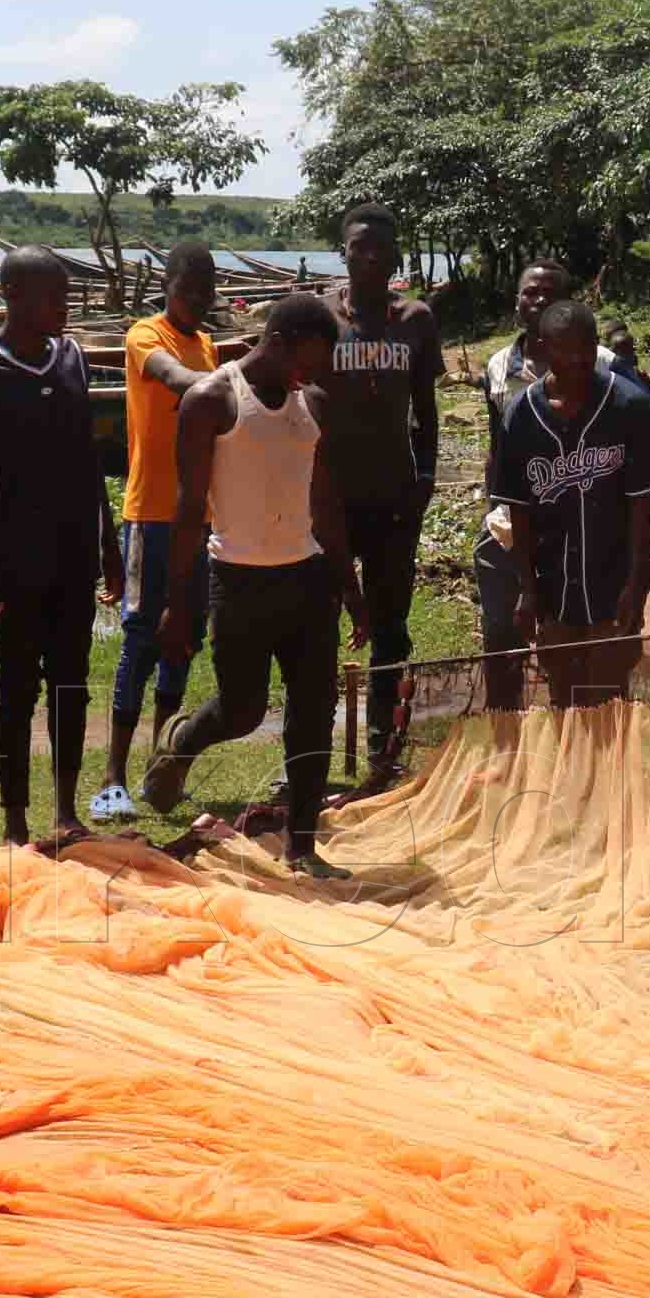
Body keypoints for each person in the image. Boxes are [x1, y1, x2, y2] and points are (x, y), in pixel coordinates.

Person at [138, 293, 366, 879]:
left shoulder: (312, 403)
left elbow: (326, 503)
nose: (313, 375)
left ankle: (303, 846)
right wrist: (177, 606)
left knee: (314, 710)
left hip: (307, 578)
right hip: (238, 581)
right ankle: (183, 741)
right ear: (280, 342)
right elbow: (189, 511)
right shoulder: (211, 400)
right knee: (242, 711)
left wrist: (350, 586)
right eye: (310, 360)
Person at [0, 246, 105, 846]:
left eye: (67, 294)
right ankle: (15, 820)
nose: (64, 306)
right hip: (14, 551)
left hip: (73, 550)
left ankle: (65, 811)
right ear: (11, 294)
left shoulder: (72, 357)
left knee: (71, 682)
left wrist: (110, 545)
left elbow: (88, 459)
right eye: (52, 295)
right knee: (16, 688)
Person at [91, 246, 222, 822]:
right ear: (167, 286)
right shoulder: (146, 336)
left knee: (182, 638)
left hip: (200, 516)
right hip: (151, 514)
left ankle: (159, 767)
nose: (198, 299)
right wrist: (232, 382)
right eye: (189, 289)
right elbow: (177, 380)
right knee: (142, 639)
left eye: (206, 290)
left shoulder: (209, 344)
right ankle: (112, 778)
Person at [497, 300, 650, 707]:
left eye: (586, 347)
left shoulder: (631, 406)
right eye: (565, 349)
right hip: (553, 588)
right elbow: (519, 511)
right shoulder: (521, 415)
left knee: (609, 702)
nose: (577, 360)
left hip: (611, 586)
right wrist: (527, 589)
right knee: (562, 697)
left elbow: (641, 509)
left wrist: (636, 584)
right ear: (543, 348)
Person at [322, 205, 442, 788]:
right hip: (331, 502)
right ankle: (309, 753)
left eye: (381, 249)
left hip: (395, 499)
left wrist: (425, 480)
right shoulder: (322, 317)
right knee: (319, 624)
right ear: (342, 252)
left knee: (391, 628)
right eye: (359, 247)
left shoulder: (415, 320)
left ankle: (382, 753)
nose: (370, 257)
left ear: (395, 256)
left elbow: (426, 410)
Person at [480, 263, 610, 711]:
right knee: (502, 629)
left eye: (549, 294)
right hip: (512, 516)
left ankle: (578, 720)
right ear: (516, 301)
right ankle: (505, 723)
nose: (537, 301)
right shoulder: (498, 367)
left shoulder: (603, 362)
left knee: (574, 632)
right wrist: (496, 507)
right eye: (529, 293)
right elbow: (498, 447)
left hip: (579, 518)